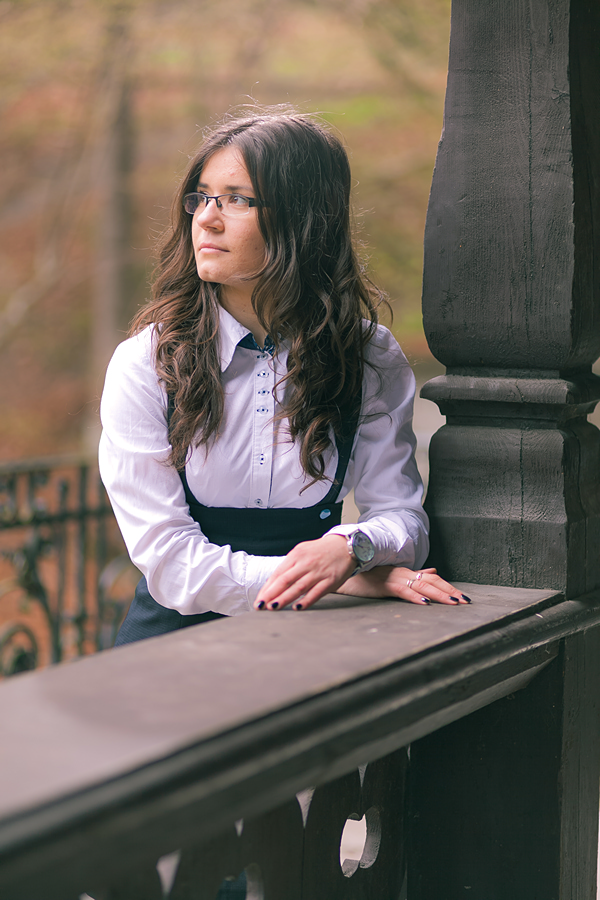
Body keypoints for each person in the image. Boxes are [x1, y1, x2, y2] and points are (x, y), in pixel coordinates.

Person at [99, 107, 470, 648]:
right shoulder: (146, 364)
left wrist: (351, 549)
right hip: (171, 653)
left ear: (303, 218)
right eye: (202, 197)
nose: (207, 218)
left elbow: (401, 519)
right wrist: (351, 586)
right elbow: (173, 565)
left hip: (314, 646)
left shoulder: (366, 357)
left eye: (238, 200)